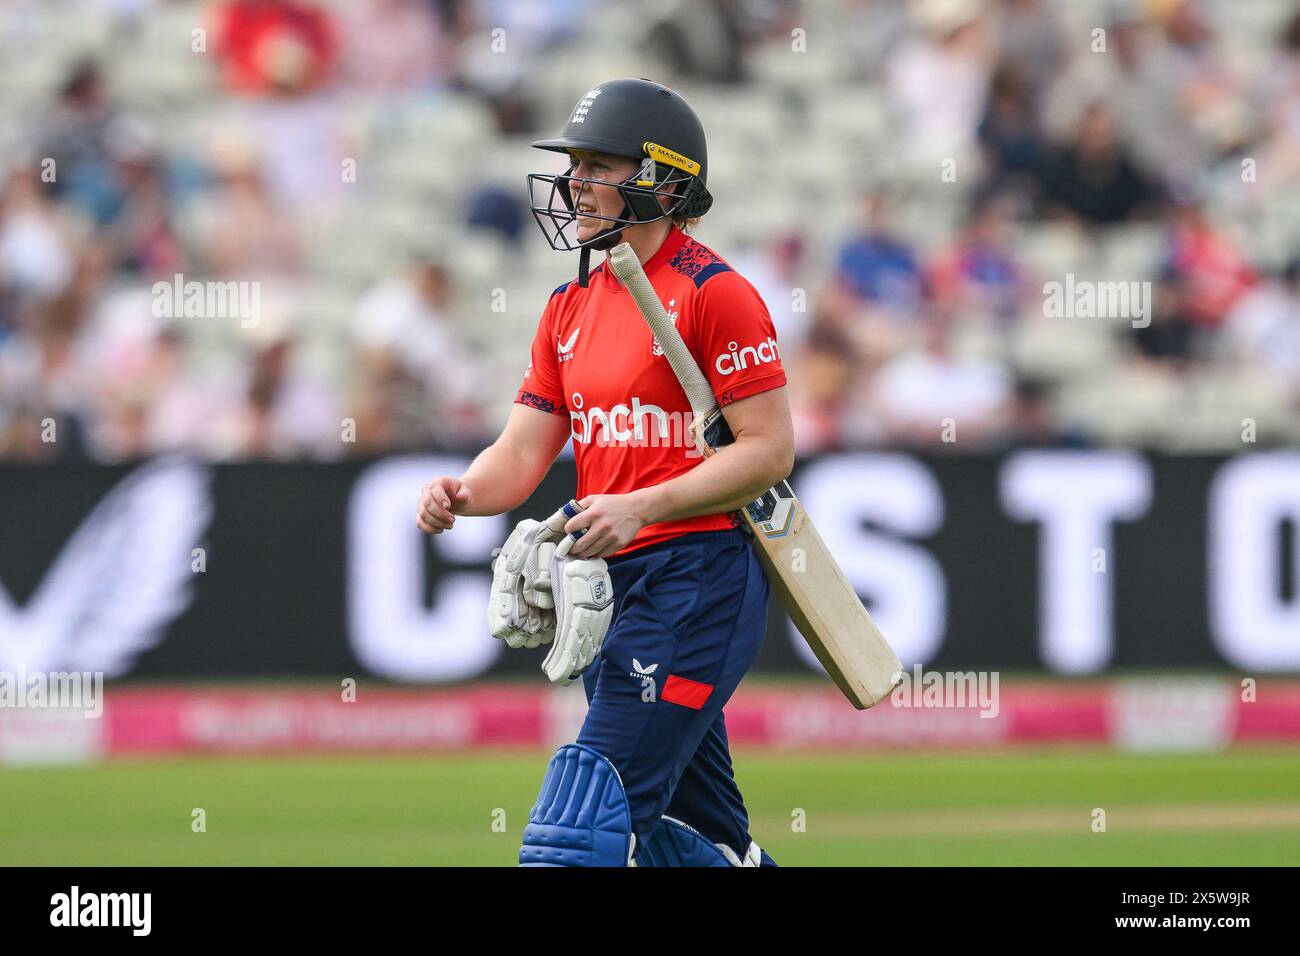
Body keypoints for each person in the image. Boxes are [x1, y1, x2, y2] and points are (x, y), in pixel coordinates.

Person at [415, 78, 791, 866]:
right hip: (612, 586)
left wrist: (641, 506)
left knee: (579, 829)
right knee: (691, 842)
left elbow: (767, 452)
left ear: (663, 181)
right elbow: (522, 452)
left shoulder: (716, 294)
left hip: (699, 578)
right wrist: (464, 492)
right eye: (574, 165)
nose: (575, 182)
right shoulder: (570, 303)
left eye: (598, 165)